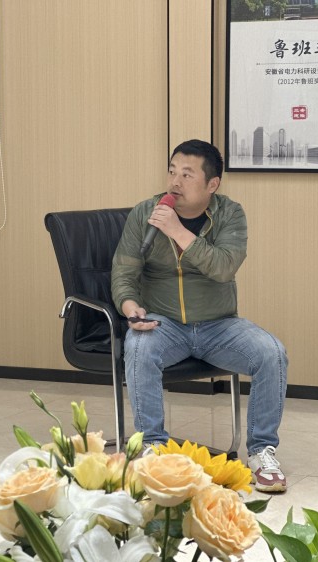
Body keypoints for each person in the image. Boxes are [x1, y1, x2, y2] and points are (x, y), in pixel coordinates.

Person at [110, 139, 288, 493]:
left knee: (272, 353)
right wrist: (130, 307)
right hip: (164, 323)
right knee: (139, 346)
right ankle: (153, 448)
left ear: (212, 184)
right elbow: (124, 272)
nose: (175, 182)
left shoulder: (230, 214)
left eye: (187, 175)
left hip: (219, 325)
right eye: (172, 171)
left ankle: (261, 452)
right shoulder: (145, 213)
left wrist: (177, 231)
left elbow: (223, 267)